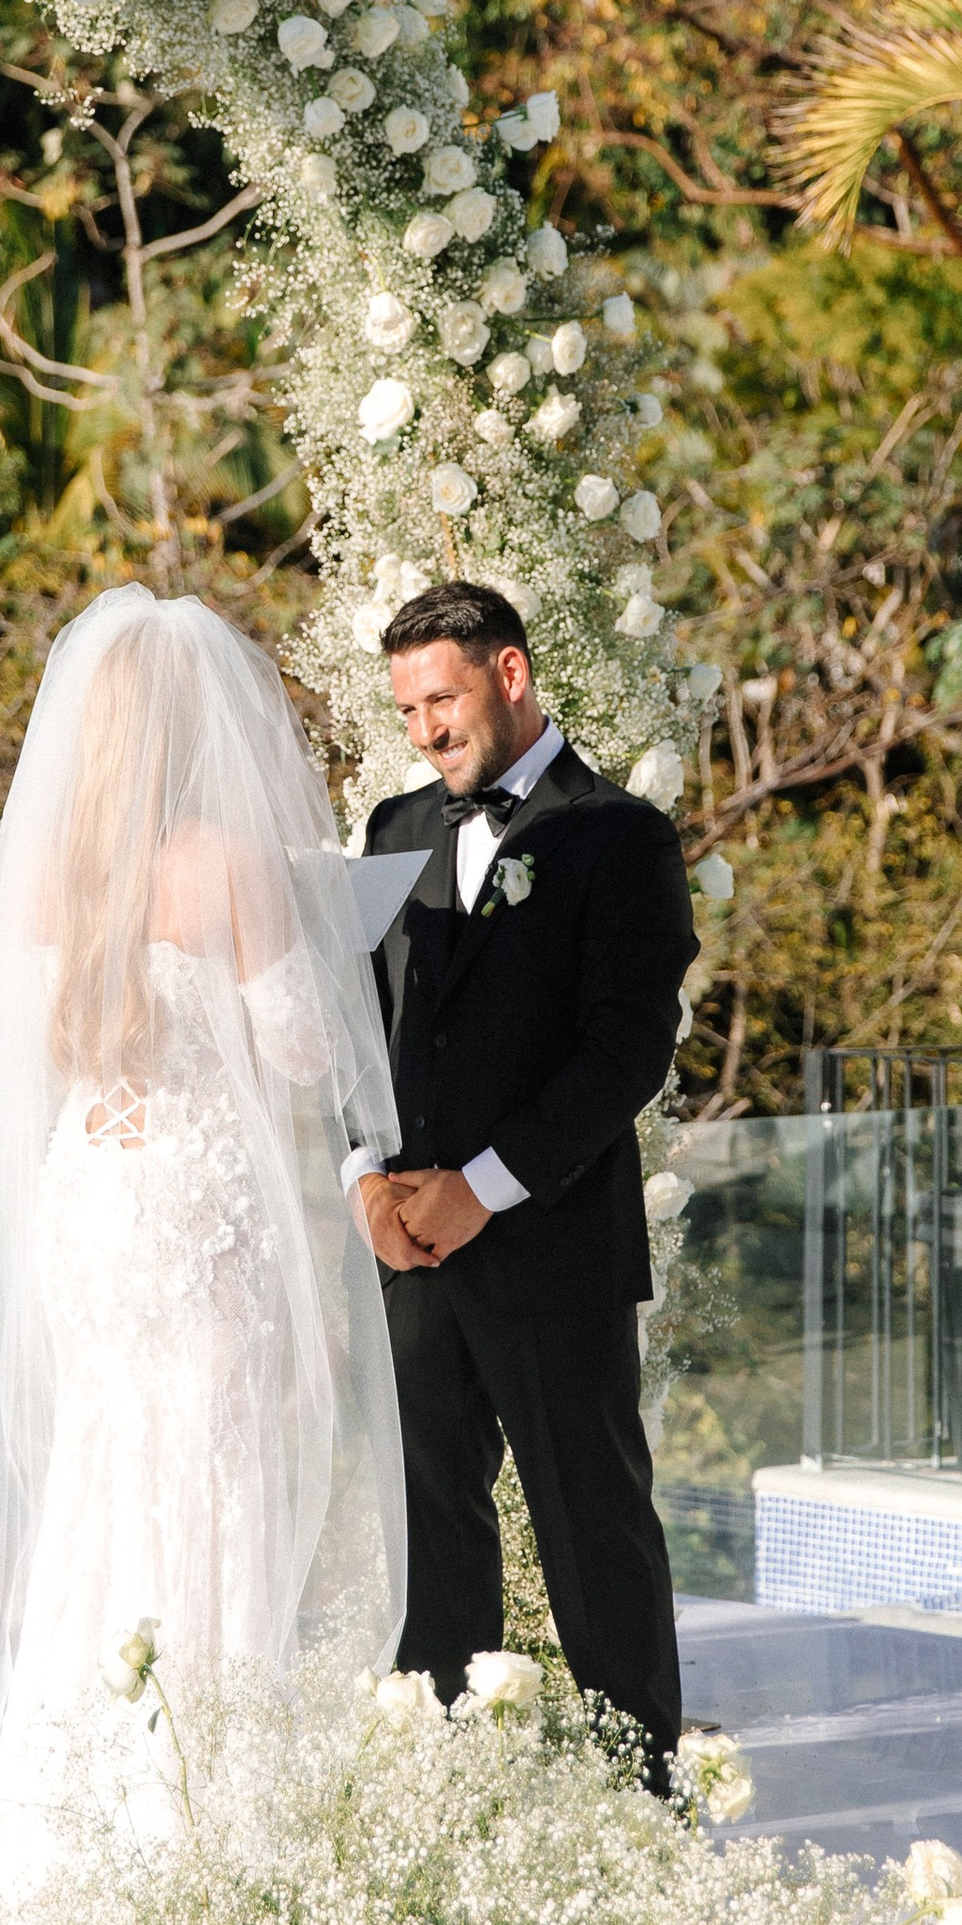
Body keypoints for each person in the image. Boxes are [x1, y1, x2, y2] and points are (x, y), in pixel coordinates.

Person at [0, 584, 405, 1825]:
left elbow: (26, 1061)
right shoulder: (227, 863)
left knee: (102, 1475)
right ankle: (199, 1798)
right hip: (196, 1201)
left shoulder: (42, 864)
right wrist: (320, 924)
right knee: (212, 1479)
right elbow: (310, 1053)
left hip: (88, 1199)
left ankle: (67, 1795)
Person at [351, 580, 695, 1785]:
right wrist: (365, 1182)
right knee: (432, 1533)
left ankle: (641, 1794)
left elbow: (625, 1054)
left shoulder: (620, 836)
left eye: (439, 697)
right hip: (409, 1255)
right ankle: (445, 1786)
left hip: (550, 1249)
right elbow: (357, 1022)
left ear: (509, 675)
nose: (424, 730)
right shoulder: (391, 830)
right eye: (405, 708)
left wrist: (480, 1187)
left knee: (590, 1526)